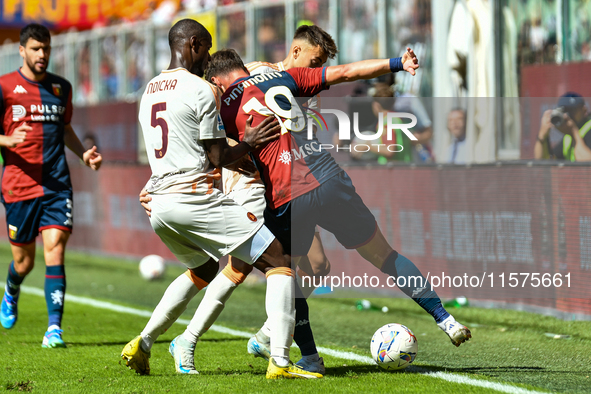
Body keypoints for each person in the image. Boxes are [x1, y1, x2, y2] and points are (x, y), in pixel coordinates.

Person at [206, 48, 471, 352]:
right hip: (329, 178)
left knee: (284, 273)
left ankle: (308, 358)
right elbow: (346, 73)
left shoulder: (224, 106)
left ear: (217, 80)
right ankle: (445, 319)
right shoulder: (285, 77)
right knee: (385, 256)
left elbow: (214, 155)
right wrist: (397, 63)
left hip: (287, 194)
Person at [120, 19, 321, 380]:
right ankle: (279, 361)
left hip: (160, 204)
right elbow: (217, 157)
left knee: (204, 269)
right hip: (194, 200)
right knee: (279, 260)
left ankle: (143, 342)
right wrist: (251, 141)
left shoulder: (149, 90)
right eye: (207, 47)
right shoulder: (200, 89)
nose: (209, 56)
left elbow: (166, 150)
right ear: (194, 43)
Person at [0, 24, 103, 348]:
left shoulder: (61, 87)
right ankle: (12, 289)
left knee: (55, 250)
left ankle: (54, 329)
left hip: (57, 184)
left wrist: (83, 154)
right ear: (22, 50)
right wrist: (5, 139)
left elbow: (65, 129)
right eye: (35, 49)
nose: (42, 55)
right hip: (19, 186)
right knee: (24, 262)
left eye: (46, 49)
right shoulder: (4, 87)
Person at [534, 92, 591, 162]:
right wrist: (542, 136)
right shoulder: (568, 136)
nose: (568, 115)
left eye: (573, 110)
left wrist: (574, 133)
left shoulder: (587, 128)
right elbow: (544, 161)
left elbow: (587, 165)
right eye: (564, 111)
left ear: (584, 110)